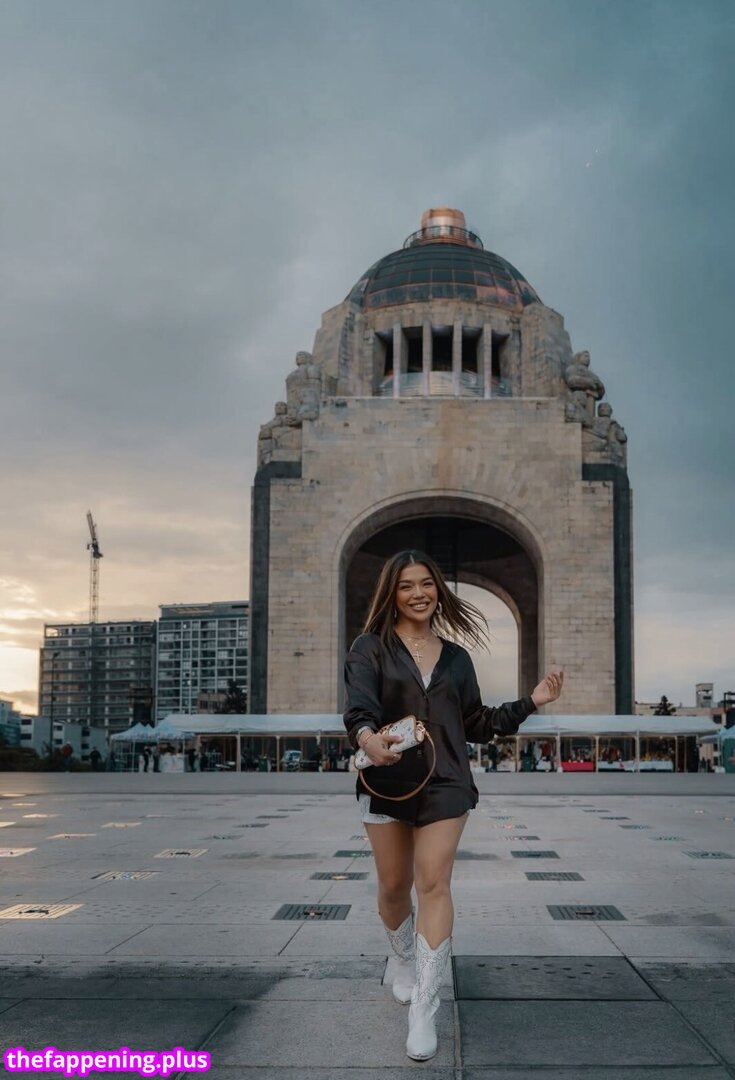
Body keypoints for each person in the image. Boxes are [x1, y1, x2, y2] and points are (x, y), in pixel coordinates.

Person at [343, 549, 563, 1061]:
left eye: (426, 583)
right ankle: (402, 959)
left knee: (434, 883)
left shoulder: (457, 658)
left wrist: (531, 702)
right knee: (393, 887)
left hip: (446, 782)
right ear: (391, 594)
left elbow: (478, 724)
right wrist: (368, 738)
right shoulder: (369, 647)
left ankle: (425, 1006)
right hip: (386, 781)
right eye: (406, 585)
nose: (418, 593)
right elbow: (359, 708)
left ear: (438, 590)